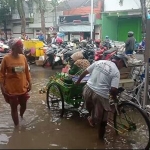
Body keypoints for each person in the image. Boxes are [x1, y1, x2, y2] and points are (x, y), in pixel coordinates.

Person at [76, 54, 128, 140]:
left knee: (91, 106)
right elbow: (113, 90)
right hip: (100, 95)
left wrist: (78, 82)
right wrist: (115, 99)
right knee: (103, 121)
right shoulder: (116, 72)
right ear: (120, 61)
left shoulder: (99, 62)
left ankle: (92, 118)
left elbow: (85, 72)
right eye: (123, 65)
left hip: (87, 89)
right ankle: (101, 140)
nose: (122, 67)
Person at [0, 39, 31, 127]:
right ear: (14, 48)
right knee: (13, 108)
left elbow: (26, 71)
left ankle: (21, 116)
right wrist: (2, 87)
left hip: (22, 87)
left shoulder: (23, 57)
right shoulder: (6, 58)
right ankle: (17, 127)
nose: (22, 48)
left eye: (22, 46)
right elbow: (1, 74)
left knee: (24, 106)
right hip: (11, 88)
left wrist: (30, 82)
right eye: (20, 46)